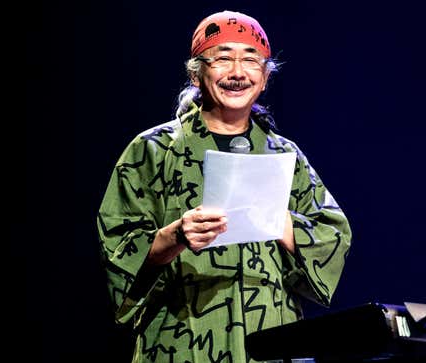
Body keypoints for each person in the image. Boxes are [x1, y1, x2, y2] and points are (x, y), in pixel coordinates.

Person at [97, 10, 352, 363]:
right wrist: (175, 236)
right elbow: (116, 244)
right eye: (222, 58)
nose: (237, 72)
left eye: (250, 60)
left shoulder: (284, 155)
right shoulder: (153, 150)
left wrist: (282, 223)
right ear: (196, 74)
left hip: (273, 342)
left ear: (264, 78)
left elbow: (334, 235)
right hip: (180, 343)